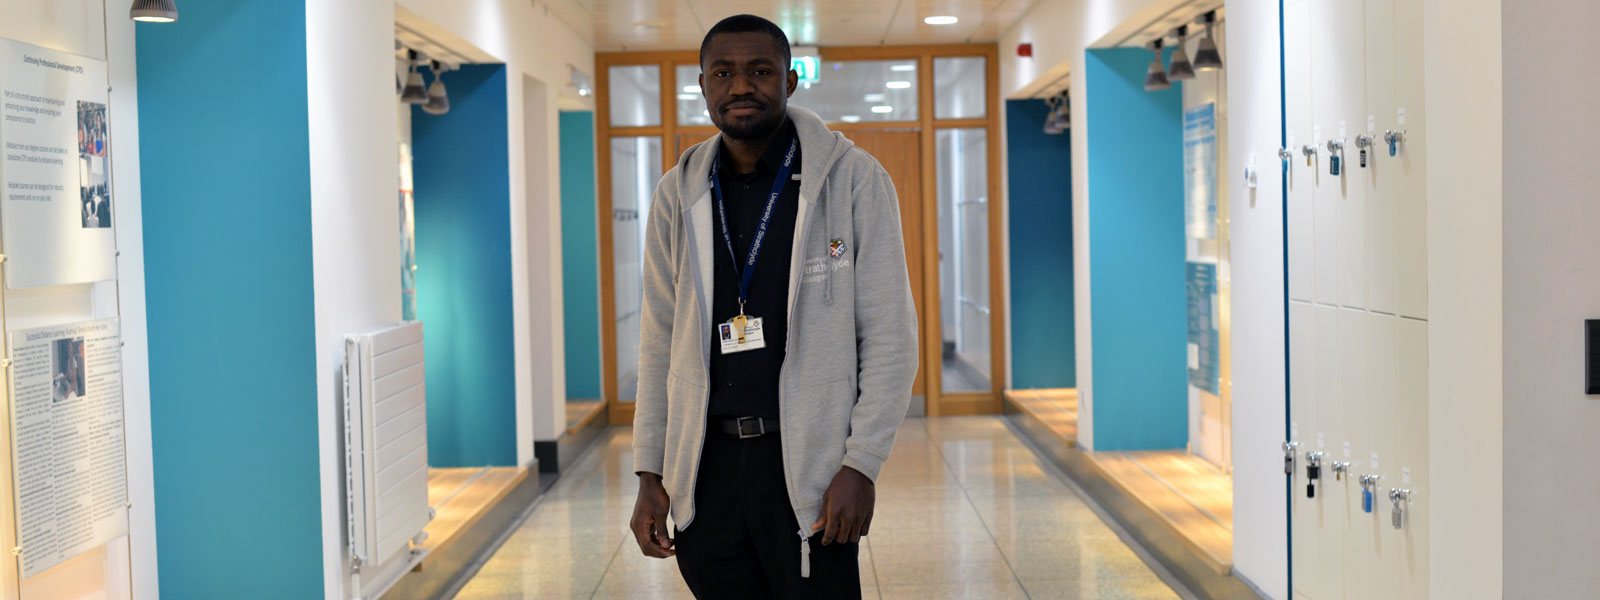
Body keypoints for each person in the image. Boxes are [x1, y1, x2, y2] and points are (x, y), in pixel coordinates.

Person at [628, 14, 918, 600]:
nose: (741, 86)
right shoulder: (677, 194)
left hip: (808, 469)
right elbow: (659, 339)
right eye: (723, 72)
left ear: (789, 80)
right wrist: (650, 471)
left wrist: (861, 464)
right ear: (703, 83)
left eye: (760, 71)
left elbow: (890, 335)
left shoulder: (853, 181)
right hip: (704, 471)